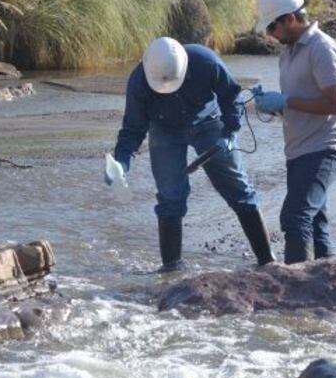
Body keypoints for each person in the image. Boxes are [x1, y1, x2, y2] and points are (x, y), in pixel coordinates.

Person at [107, 37, 274, 271]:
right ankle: (171, 269)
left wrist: (231, 131)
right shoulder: (139, 82)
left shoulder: (205, 61)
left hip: (209, 122)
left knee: (238, 188)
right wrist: (122, 163)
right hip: (164, 130)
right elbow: (132, 130)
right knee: (170, 196)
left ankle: (267, 262)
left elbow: (231, 96)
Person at [252, 0, 336, 263]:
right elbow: (300, 102)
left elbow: (335, 104)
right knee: (316, 224)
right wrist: (276, 106)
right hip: (298, 151)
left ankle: (297, 296)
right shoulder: (288, 54)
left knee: (295, 217)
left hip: (324, 147)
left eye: (272, 28)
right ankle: (329, 287)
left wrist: (285, 101)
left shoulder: (322, 48)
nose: (270, 35)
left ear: (290, 19)